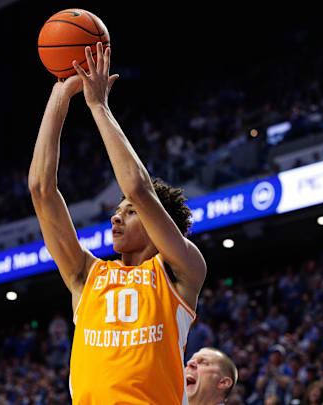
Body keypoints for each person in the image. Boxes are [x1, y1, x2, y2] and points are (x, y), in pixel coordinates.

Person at [29, 42, 207, 404]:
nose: (116, 216)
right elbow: (41, 190)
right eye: (119, 210)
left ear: (161, 223)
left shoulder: (181, 271)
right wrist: (59, 97)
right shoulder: (86, 275)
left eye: (130, 212)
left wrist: (97, 105)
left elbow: (139, 189)